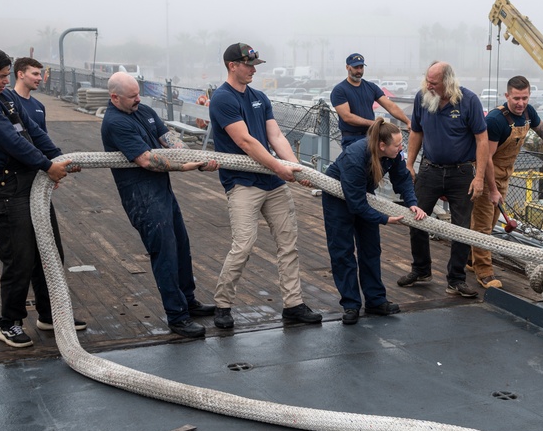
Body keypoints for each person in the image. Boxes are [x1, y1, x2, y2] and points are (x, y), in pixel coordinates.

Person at [0, 46, 82, 348]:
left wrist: (56, 158)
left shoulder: (5, 96)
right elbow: (10, 141)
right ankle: (8, 323)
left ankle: (50, 314)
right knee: (19, 257)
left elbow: (32, 131)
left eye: (6, 75)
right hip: (6, 186)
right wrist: (48, 166)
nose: (4, 81)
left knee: (49, 251)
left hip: (30, 179)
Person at [208, 42, 322, 329]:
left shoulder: (260, 97)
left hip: (273, 183)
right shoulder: (222, 99)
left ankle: (293, 304)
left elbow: (277, 137)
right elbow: (245, 141)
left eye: (255, 65)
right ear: (232, 66)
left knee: (288, 245)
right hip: (243, 183)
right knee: (244, 245)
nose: (253, 70)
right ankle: (222, 305)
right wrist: (279, 167)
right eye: (248, 65)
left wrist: (295, 167)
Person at [101, 72, 220, 338]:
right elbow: (146, 160)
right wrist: (189, 165)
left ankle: (188, 301)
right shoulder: (115, 122)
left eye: (138, 94)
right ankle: (177, 317)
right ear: (115, 97)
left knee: (181, 244)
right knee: (164, 253)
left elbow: (167, 137)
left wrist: (194, 155)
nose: (138, 99)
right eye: (132, 97)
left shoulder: (142, 110)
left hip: (161, 190)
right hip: (141, 195)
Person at [397, 61, 488, 298]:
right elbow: (416, 131)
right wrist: (409, 164)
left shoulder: (469, 101)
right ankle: (421, 269)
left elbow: (482, 140)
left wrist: (479, 178)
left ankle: (456, 279)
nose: (429, 85)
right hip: (430, 170)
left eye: (434, 82)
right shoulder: (422, 98)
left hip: (461, 173)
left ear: (447, 81)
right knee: (416, 218)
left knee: (461, 228)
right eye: (427, 80)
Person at [323, 118, 427, 325]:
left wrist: (412, 203)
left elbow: (403, 178)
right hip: (339, 198)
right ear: (382, 146)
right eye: (397, 145)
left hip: (363, 193)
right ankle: (351, 304)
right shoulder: (355, 156)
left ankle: (375, 300)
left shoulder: (392, 154)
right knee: (342, 251)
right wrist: (385, 219)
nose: (401, 147)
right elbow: (357, 205)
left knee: (371, 249)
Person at [469, 75, 543, 289]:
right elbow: (486, 159)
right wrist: (492, 189)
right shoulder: (495, 120)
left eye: (525, 98)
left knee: (491, 222)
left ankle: (470, 259)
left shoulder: (529, 113)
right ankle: (483, 272)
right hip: (487, 176)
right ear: (507, 96)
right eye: (516, 98)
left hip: (504, 175)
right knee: (483, 226)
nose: (521, 103)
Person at [7, 57, 66, 286]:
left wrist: (55, 168)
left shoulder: (39, 107)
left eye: (40, 75)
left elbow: (42, 140)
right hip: (17, 181)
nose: (39, 79)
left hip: (41, 176)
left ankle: (49, 312)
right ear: (20, 74)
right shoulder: (8, 103)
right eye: (34, 74)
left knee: (50, 245)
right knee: (24, 250)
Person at [330, 53, 410, 148]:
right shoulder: (339, 90)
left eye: (361, 67)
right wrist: (373, 124)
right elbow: (347, 117)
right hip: (352, 139)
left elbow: (390, 106)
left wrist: (408, 121)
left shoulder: (371, 87)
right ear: (347, 67)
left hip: (371, 136)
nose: (359, 70)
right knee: (358, 162)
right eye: (356, 67)